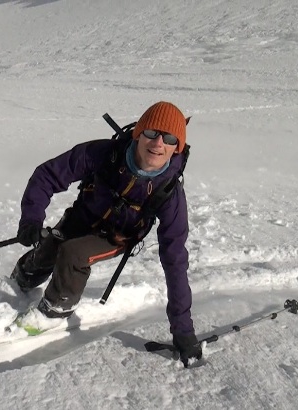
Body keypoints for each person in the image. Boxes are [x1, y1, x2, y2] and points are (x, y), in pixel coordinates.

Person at [11, 101, 202, 366]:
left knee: (73, 254)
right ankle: (22, 277)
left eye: (169, 138)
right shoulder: (104, 153)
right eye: (151, 133)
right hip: (81, 217)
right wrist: (31, 220)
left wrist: (183, 330)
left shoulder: (169, 193)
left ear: (176, 146)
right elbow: (48, 175)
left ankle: (54, 312)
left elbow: (175, 260)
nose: (158, 143)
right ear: (138, 133)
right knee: (50, 247)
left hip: (116, 236)